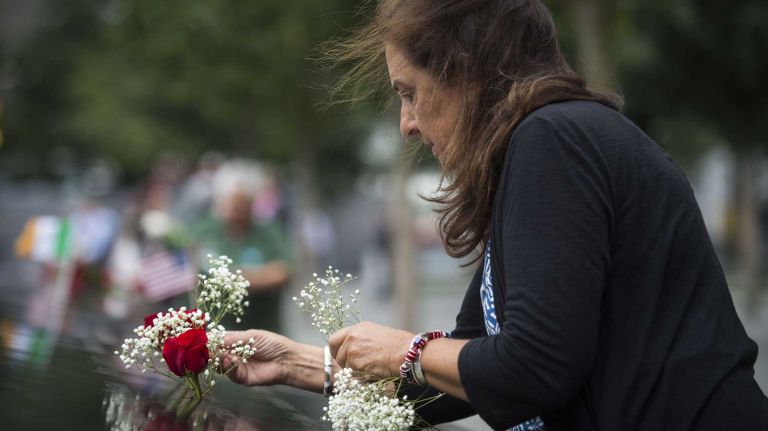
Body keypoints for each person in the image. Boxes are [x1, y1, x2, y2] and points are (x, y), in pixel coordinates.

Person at [223, 1, 768, 430]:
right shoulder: (544, 145)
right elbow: (469, 374)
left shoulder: (553, 140)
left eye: (409, 93)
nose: (406, 124)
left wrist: (405, 351)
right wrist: (299, 364)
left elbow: (535, 367)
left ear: (463, 71)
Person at [191, 159, 293, 332]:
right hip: (215, 332)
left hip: (263, 328)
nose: (235, 213)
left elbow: (284, 271)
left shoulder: (267, 232)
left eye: (241, 206)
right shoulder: (202, 230)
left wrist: (237, 279)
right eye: (230, 204)